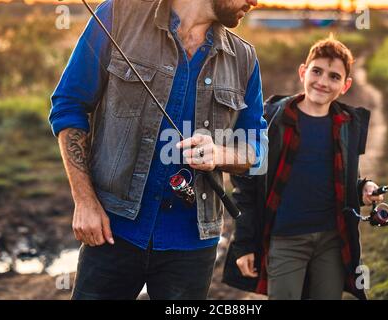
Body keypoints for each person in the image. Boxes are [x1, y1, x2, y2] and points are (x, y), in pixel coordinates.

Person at [49, 0, 267, 300]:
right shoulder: (118, 14)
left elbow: (258, 148)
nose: (255, 1)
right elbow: (69, 105)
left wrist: (220, 154)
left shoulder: (245, 59)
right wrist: (84, 201)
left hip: (193, 246)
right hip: (113, 230)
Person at [223, 36, 384, 300]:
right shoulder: (273, 121)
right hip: (285, 239)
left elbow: (343, 180)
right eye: (317, 71)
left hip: (332, 241)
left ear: (345, 86)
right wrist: (243, 244)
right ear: (302, 72)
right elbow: (246, 187)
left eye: (334, 77)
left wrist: (363, 188)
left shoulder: (347, 125)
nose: (322, 82)